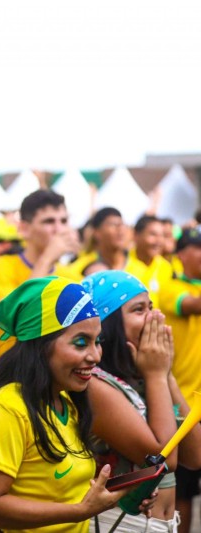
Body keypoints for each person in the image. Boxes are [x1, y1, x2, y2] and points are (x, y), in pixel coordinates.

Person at [0, 276, 132, 532]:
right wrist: (80, 511)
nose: (95, 356)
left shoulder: (66, 401)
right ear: (40, 346)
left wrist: (120, 492)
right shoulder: (7, 409)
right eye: (81, 343)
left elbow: (60, 490)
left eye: (97, 341)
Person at [83, 270, 201, 532]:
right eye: (139, 310)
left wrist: (166, 375)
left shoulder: (144, 377)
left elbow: (195, 455)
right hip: (119, 523)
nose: (154, 318)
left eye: (152, 307)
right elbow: (162, 460)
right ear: (108, 324)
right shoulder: (95, 385)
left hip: (159, 524)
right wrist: (158, 374)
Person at [0, 189, 79, 357]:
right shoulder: (0, 266)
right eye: (49, 221)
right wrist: (47, 258)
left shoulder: (73, 277)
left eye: (64, 221)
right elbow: (14, 318)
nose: (59, 230)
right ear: (24, 228)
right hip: (12, 374)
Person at [159, 226, 201, 533]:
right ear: (181, 254)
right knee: (183, 490)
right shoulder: (171, 287)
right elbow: (191, 305)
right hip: (184, 404)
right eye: (198, 247)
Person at [127, 215, 173, 310]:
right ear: (136, 235)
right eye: (153, 234)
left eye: (162, 236)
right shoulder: (124, 264)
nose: (159, 241)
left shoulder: (165, 267)